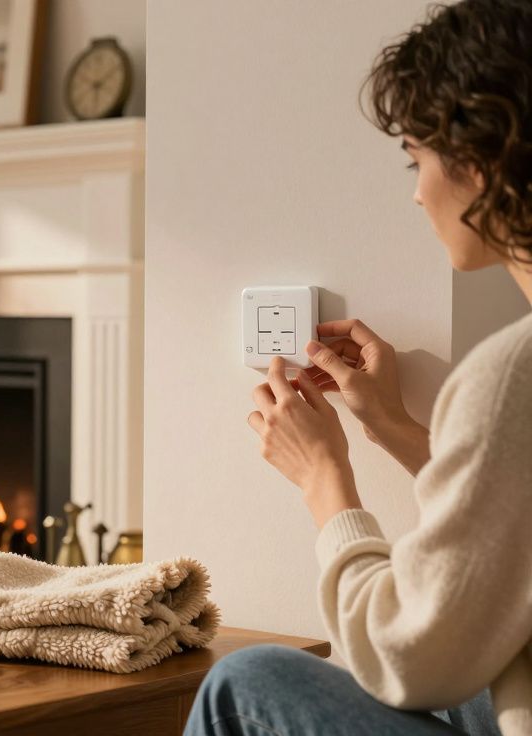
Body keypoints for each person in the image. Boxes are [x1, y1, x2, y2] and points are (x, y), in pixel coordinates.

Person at [186, 1, 532, 734]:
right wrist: (397, 431)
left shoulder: (513, 372)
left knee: (243, 681)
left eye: (417, 157)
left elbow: (405, 658)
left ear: (478, 161)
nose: (414, 191)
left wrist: (325, 482)